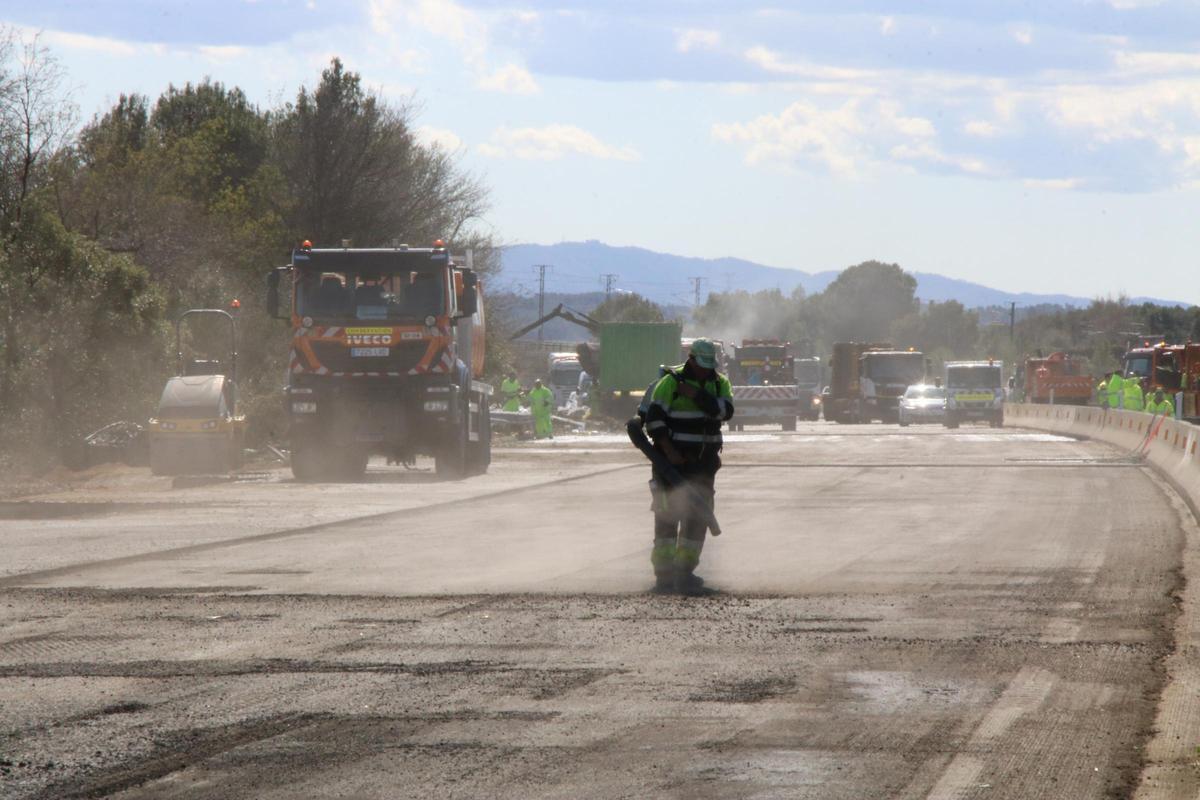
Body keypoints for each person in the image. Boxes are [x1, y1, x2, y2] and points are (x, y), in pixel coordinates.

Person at [644, 338, 734, 595]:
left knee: (697, 518)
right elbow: (654, 421)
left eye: (710, 365)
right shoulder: (669, 384)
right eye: (702, 364)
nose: (707, 370)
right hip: (670, 463)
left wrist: (695, 394)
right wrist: (670, 453)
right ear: (691, 359)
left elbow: (725, 411)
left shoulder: (719, 383)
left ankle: (685, 572)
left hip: (703, 465)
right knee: (667, 517)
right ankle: (664, 576)